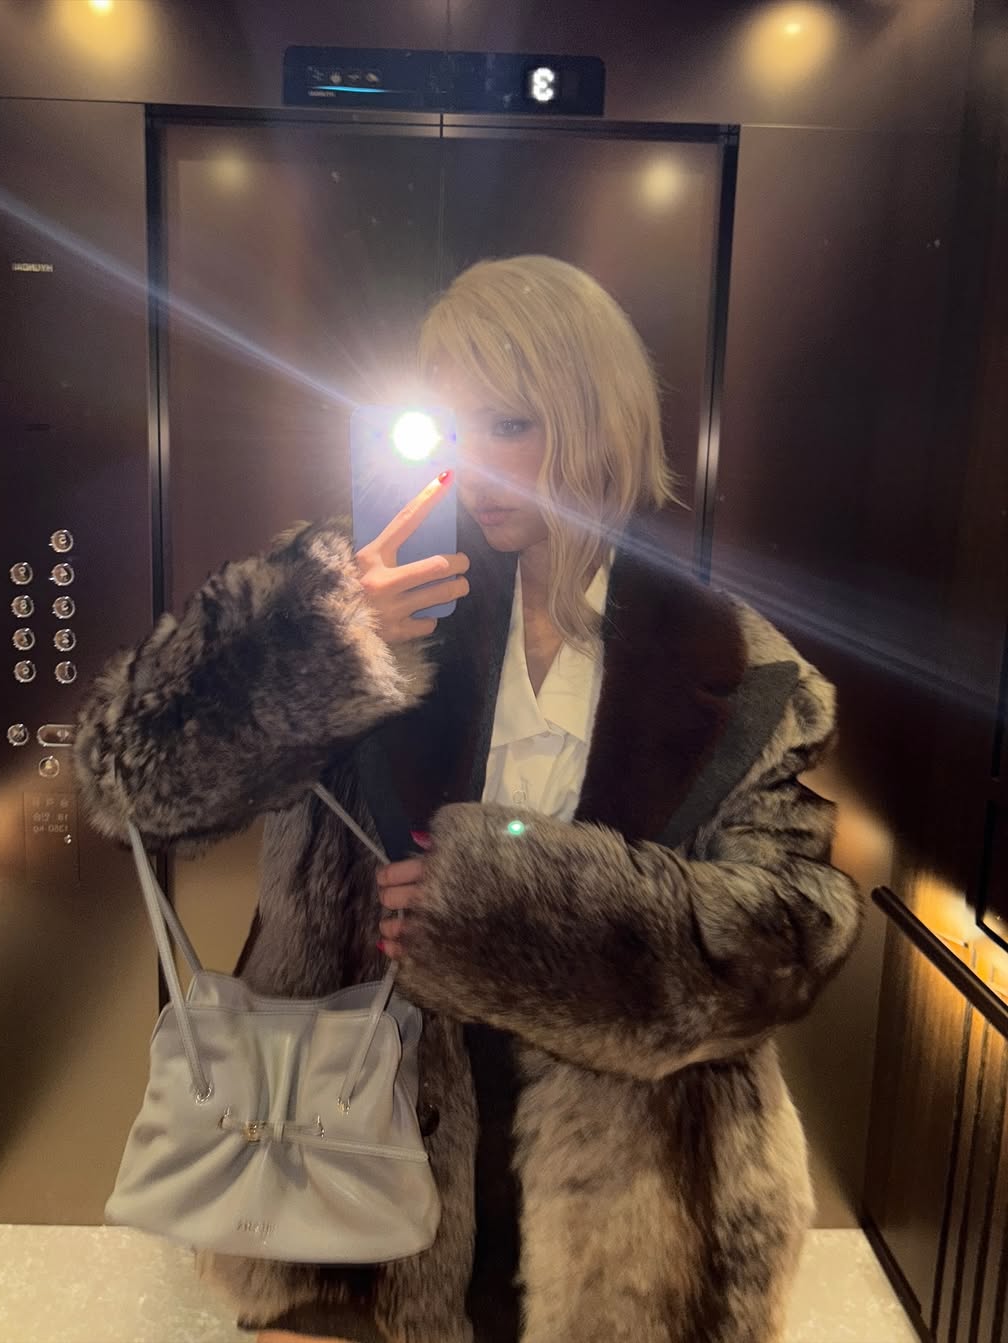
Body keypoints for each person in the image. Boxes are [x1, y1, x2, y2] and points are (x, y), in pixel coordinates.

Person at [75, 255, 862, 1343]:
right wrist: (321, 648)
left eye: (510, 424)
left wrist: (510, 905)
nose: (475, 466)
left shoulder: (737, 667)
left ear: (596, 422)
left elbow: (788, 936)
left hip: (632, 1221)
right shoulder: (349, 588)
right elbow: (131, 783)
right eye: (447, 427)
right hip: (344, 1161)